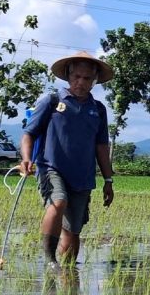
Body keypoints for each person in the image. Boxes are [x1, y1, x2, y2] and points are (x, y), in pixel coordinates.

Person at [20, 51, 115, 270]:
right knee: (59, 201)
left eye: (86, 78)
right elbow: (29, 134)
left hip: (82, 175)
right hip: (52, 167)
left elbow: (101, 146)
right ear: (68, 76)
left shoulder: (98, 110)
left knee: (73, 232)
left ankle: (68, 278)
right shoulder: (52, 101)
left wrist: (108, 180)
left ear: (94, 81)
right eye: (76, 77)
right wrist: (26, 159)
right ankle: (49, 259)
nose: (80, 82)